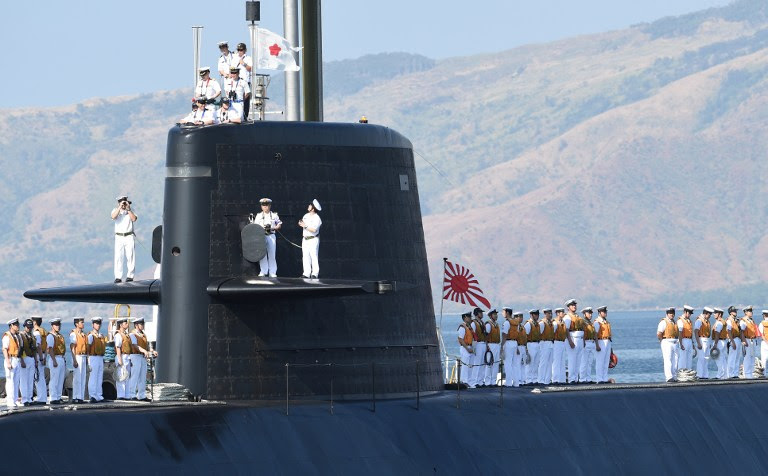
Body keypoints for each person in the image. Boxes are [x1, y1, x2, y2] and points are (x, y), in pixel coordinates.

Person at [111, 195, 138, 283]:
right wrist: (119, 207)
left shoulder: (130, 211)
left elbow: (134, 219)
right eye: (122, 202)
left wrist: (128, 209)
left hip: (129, 236)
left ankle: (130, 275)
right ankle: (118, 277)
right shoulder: (115, 211)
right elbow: (113, 217)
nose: (123, 204)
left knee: (130, 256)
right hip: (119, 236)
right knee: (119, 257)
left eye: (125, 202)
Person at [129, 317, 156, 401]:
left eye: (143, 324)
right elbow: (134, 345)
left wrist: (152, 351)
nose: (143, 325)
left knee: (142, 376)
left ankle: (141, 395)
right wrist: (144, 350)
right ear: (136, 325)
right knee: (135, 375)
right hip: (135, 356)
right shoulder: (132, 334)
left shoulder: (143, 334)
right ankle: (131, 394)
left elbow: (146, 346)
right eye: (141, 324)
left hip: (142, 357)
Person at [254, 198, 282, 277]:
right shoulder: (259, 216)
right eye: (263, 205)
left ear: (270, 206)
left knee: (272, 254)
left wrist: (273, 228)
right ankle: (263, 271)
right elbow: (255, 226)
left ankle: (272, 272)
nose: (265, 207)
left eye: (266, 205)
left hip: (271, 235)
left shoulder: (274, 215)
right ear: (261, 206)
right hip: (262, 236)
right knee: (262, 254)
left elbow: (279, 225)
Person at [299, 199, 322, 278]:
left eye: (310, 205)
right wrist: (301, 224)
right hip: (305, 239)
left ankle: (315, 273)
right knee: (305, 256)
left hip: (313, 239)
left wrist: (305, 226)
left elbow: (314, 229)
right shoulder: (305, 215)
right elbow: (303, 224)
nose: (308, 206)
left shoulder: (317, 218)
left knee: (313, 255)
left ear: (313, 208)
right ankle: (306, 273)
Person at [3, 318, 22, 409]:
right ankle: (10, 401)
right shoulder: (7, 336)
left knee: (16, 381)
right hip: (10, 358)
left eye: (18, 325)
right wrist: (8, 362)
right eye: (16, 325)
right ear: (11, 326)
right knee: (10, 381)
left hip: (16, 359)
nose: (18, 326)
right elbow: (4, 349)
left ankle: (15, 400)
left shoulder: (16, 336)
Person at [46, 318, 66, 404]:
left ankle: (58, 396)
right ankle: (53, 397)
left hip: (61, 358)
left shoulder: (60, 336)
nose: (58, 326)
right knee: (54, 379)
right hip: (55, 358)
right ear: (52, 326)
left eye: (59, 325)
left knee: (60, 379)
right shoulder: (51, 336)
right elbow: (49, 349)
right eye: (56, 325)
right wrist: (54, 360)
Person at [87, 317, 107, 402]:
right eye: (96, 323)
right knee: (93, 377)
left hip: (100, 357)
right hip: (93, 357)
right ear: (93, 325)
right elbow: (88, 347)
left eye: (99, 324)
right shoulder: (91, 335)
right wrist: (88, 359)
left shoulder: (101, 335)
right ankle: (92, 395)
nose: (98, 325)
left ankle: (99, 395)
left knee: (99, 377)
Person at [657, 307, 679, 382]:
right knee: (668, 360)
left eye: (673, 313)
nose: (672, 315)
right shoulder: (663, 322)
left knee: (675, 360)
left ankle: (674, 376)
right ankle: (669, 377)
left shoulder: (674, 322)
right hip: (667, 341)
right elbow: (659, 333)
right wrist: (661, 340)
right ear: (667, 314)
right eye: (670, 313)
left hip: (675, 342)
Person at [564, 299, 583, 383]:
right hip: (573, 338)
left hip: (580, 339)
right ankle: (572, 379)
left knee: (578, 360)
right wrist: (570, 341)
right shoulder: (567, 317)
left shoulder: (577, 317)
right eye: (572, 305)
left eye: (575, 305)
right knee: (572, 359)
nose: (574, 306)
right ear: (568, 307)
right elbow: (566, 330)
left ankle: (576, 378)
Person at [500, 308, 520, 387]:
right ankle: (516, 383)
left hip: (508, 343)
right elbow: (517, 335)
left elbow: (504, 335)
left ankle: (508, 382)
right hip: (515, 343)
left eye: (503, 312)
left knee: (508, 363)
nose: (502, 313)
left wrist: (502, 346)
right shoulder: (516, 323)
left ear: (507, 313)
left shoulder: (507, 323)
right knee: (515, 364)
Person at [18, 319, 36, 406]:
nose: (29, 329)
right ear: (24, 327)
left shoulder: (32, 336)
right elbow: (20, 349)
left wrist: (35, 360)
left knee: (30, 380)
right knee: (24, 380)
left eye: (30, 327)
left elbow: (35, 349)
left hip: (31, 359)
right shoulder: (21, 335)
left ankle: (29, 398)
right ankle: (24, 399)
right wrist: (21, 360)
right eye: (28, 327)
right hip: (24, 359)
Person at [69, 317, 87, 403]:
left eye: (83, 322)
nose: (82, 324)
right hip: (77, 356)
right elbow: (72, 347)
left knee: (82, 377)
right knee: (77, 377)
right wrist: (74, 360)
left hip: (83, 356)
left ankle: (81, 397)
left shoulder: (83, 334)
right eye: (81, 322)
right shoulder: (74, 334)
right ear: (76, 324)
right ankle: (76, 396)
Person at [113, 317, 132, 400]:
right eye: (125, 323)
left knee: (127, 376)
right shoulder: (118, 335)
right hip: (122, 356)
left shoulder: (127, 335)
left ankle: (127, 395)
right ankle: (121, 395)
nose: (127, 324)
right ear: (121, 325)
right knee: (121, 376)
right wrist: (119, 359)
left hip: (127, 356)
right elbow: (118, 347)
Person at [469, 308, 487, 388]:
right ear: (477, 314)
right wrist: (474, 347)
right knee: (477, 363)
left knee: (482, 363)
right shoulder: (473, 323)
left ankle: (480, 381)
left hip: (483, 343)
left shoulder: (482, 323)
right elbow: (472, 335)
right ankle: (474, 381)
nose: (482, 314)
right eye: (480, 313)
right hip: (478, 344)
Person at [483, 309, 501, 386]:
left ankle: (493, 381)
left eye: (496, 314)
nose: (496, 316)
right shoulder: (488, 324)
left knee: (496, 364)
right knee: (489, 364)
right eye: (494, 314)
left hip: (496, 345)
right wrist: (487, 346)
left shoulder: (496, 324)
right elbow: (485, 336)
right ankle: (487, 381)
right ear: (490, 316)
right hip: (490, 345)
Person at [31, 317, 48, 404]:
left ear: (34, 322)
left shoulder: (36, 332)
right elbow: (47, 345)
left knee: (38, 377)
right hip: (43, 354)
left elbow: (38, 346)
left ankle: (41, 398)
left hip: (38, 355)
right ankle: (43, 397)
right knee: (41, 377)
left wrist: (40, 358)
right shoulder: (43, 331)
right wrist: (44, 357)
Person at [594, 306, 612, 384]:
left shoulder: (606, 322)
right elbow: (595, 335)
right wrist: (597, 345)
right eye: (603, 312)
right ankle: (599, 379)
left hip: (607, 341)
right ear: (599, 313)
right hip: (601, 341)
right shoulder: (597, 322)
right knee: (600, 361)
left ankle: (604, 378)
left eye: (605, 312)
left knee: (606, 361)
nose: (605, 313)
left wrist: (611, 348)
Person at [579, 307, 597, 383]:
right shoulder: (582, 323)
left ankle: (588, 378)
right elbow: (582, 333)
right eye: (588, 313)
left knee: (589, 363)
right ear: (584, 314)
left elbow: (594, 334)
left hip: (591, 342)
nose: (590, 315)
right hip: (586, 343)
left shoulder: (591, 323)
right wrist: (583, 343)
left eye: (591, 313)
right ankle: (582, 379)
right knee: (584, 362)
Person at [235, 43, 253, 118]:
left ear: (245, 50)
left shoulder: (248, 58)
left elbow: (250, 69)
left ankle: (245, 116)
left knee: (245, 100)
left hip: (245, 81)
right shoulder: (235, 58)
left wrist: (244, 64)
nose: (240, 51)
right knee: (236, 99)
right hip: (236, 81)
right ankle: (236, 116)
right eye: (238, 50)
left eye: (241, 50)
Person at [694, 307, 713, 379]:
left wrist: (709, 342)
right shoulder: (699, 320)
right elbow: (696, 331)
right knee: (701, 358)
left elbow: (708, 333)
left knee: (706, 358)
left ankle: (705, 375)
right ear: (705, 313)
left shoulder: (707, 321)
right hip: (701, 340)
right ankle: (700, 374)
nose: (710, 316)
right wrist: (698, 343)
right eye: (709, 315)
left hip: (707, 340)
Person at [523, 309, 540, 385]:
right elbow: (524, 336)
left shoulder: (537, 324)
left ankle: (534, 379)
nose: (537, 316)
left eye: (537, 314)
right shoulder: (528, 324)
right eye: (535, 314)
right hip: (530, 344)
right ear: (531, 315)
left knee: (536, 363)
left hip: (536, 344)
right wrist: (526, 348)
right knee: (530, 363)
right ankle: (528, 379)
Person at [456, 312, 474, 386]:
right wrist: (467, 349)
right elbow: (461, 339)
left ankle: (469, 381)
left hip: (469, 347)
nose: (470, 318)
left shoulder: (469, 327)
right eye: (469, 317)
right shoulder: (462, 327)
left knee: (470, 365)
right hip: (465, 348)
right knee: (465, 365)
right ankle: (464, 381)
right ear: (465, 318)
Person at [537, 309, 554, 385]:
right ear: (545, 314)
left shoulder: (551, 323)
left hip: (550, 343)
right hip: (544, 343)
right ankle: (541, 380)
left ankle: (547, 380)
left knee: (549, 363)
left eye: (551, 313)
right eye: (548, 313)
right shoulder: (542, 323)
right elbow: (538, 334)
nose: (550, 315)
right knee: (543, 362)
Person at [726, 306, 743, 378]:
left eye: (735, 311)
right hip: (733, 339)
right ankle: (730, 374)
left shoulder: (736, 320)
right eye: (734, 311)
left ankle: (735, 373)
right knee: (732, 358)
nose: (735, 312)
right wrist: (732, 342)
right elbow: (729, 332)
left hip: (738, 339)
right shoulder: (729, 320)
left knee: (737, 357)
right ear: (730, 313)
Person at [710, 308, 728, 379]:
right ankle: (724, 375)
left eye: (716, 313)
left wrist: (715, 345)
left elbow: (717, 334)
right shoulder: (723, 322)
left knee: (718, 359)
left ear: (719, 314)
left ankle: (719, 375)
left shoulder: (719, 322)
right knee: (723, 359)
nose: (714, 314)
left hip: (719, 341)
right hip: (723, 341)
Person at [740, 306, 757, 379]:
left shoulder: (751, 320)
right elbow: (741, 332)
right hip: (747, 339)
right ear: (745, 312)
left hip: (752, 340)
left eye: (751, 311)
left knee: (752, 357)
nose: (751, 312)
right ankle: (747, 374)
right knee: (747, 357)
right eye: (749, 311)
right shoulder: (743, 321)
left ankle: (751, 373)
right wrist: (743, 340)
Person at [551, 307, 567, 384]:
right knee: (556, 361)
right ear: (557, 313)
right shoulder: (555, 323)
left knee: (562, 361)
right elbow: (552, 334)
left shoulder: (563, 322)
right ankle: (555, 379)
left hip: (562, 342)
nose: (563, 313)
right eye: (561, 312)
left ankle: (562, 379)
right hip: (556, 342)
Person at [677, 305, 694, 371]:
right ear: (685, 312)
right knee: (683, 358)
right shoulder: (680, 320)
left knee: (689, 358)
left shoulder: (689, 321)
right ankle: (681, 373)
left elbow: (690, 333)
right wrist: (681, 344)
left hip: (689, 340)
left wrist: (692, 344)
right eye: (689, 313)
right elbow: (680, 333)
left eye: (690, 313)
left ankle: (688, 372)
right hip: (683, 340)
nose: (690, 315)